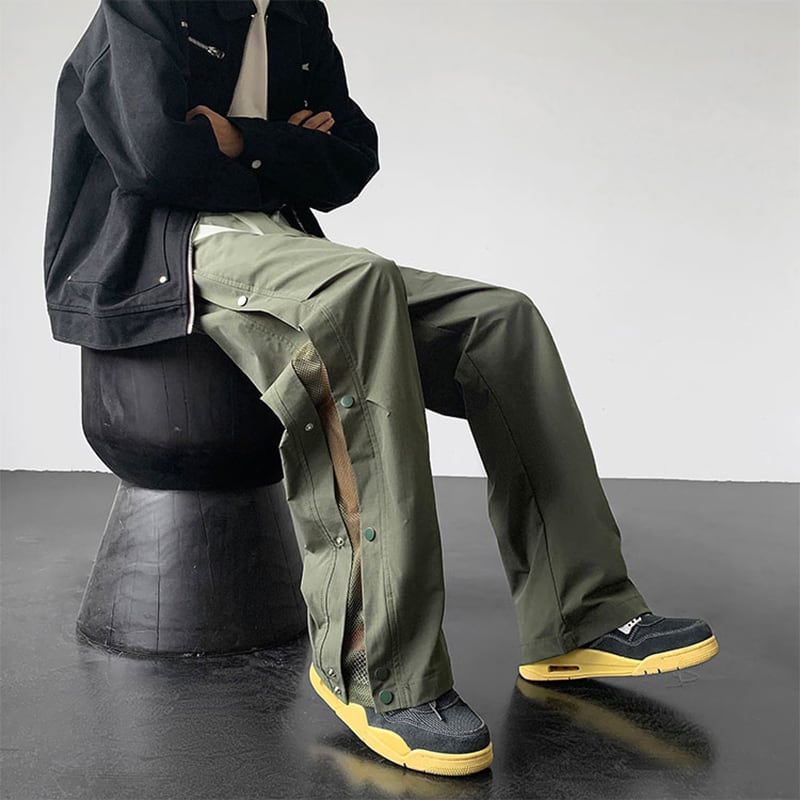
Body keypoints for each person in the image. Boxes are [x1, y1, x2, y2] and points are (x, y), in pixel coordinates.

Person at [45, 0, 718, 777]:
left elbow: (351, 159)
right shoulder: (151, 6)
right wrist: (286, 144)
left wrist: (240, 139)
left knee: (501, 321)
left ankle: (582, 612)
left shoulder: (295, 15)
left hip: (277, 239)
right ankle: (377, 673)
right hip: (163, 251)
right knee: (356, 288)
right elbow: (155, 157)